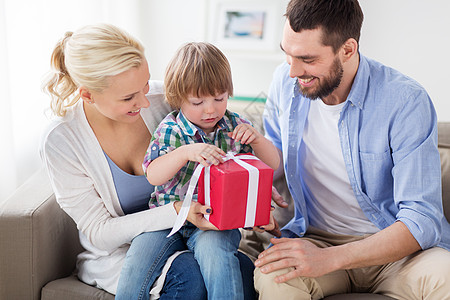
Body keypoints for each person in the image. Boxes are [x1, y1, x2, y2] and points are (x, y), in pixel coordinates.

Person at [40, 24, 253, 300]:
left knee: (243, 271)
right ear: (88, 95)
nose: (144, 101)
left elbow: (220, 132)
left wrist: (252, 183)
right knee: (189, 278)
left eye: (144, 85)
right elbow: (98, 232)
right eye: (129, 97)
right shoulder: (62, 140)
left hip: (195, 230)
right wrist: (178, 210)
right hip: (124, 249)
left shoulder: (163, 99)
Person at [254, 0, 450, 299]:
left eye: (307, 58)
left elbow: (421, 218)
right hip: (316, 238)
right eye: (287, 54)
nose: (293, 71)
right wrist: (252, 181)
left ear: (347, 49)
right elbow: (275, 157)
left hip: (395, 252)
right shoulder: (285, 81)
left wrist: (331, 259)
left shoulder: (405, 101)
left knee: (444, 275)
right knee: (273, 278)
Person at [142, 42, 280, 300]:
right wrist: (185, 153)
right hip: (168, 219)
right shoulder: (171, 130)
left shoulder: (234, 125)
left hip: (215, 222)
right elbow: (153, 175)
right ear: (178, 97)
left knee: (216, 254)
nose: (211, 109)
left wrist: (258, 140)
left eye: (220, 98)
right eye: (198, 101)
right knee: (138, 261)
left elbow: (273, 166)